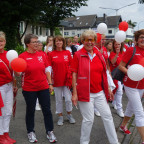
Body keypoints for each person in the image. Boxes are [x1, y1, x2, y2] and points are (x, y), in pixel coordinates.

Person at [71, 30, 120, 144]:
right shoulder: (78, 55)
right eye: (87, 40)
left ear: (95, 41)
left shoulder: (99, 54)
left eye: (92, 40)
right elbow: (74, 73)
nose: (90, 42)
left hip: (99, 92)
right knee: (89, 120)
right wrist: (74, 93)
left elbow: (104, 73)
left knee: (108, 116)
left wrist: (108, 88)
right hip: (85, 93)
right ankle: (84, 142)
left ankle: (114, 142)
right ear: (82, 41)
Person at [17, 34, 57, 143]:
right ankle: (30, 131)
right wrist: (16, 69)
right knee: (30, 110)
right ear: (27, 44)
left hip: (43, 86)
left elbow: (47, 70)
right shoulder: (22, 57)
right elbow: (18, 73)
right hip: (29, 88)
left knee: (47, 109)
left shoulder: (42, 55)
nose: (37, 44)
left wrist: (50, 83)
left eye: (37, 41)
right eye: (34, 42)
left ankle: (50, 131)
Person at [119, 29, 144, 143]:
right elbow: (121, 66)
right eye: (141, 37)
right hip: (130, 85)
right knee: (139, 112)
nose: (143, 39)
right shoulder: (131, 50)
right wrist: (130, 73)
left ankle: (123, 125)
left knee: (131, 107)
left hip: (141, 86)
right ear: (137, 39)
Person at [48, 35, 75, 126]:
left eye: (60, 41)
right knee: (58, 100)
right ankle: (60, 116)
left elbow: (72, 66)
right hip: (56, 81)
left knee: (68, 99)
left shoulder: (67, 53)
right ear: (54, 43)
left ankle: (69, 114)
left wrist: (72, 79)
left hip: (67, 81)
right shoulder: (51, 54)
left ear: (63, 42)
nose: (58, 42)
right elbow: (48, 68)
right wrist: (50, 83)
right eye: (57, 41)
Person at [0, 31, 17, 144]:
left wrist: (15, 85)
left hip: (9, 86)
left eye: (1, 41)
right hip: (0, 87)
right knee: (0, 112)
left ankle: (6, 133)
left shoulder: (9, 54)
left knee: (8, 111)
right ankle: (1, 136)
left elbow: (14, 72)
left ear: (5, 41)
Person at [109, 40, 124, 117]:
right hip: (114, 75)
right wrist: (117, 54)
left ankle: (116, 104)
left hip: (121, 75)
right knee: (118, 91)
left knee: (119, 91)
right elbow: (113, 62)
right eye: (116, 44)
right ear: (114, 45)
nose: (117, 46)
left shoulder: (124, 53)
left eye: (119, 44)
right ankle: (119, 108)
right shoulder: (112, 53)